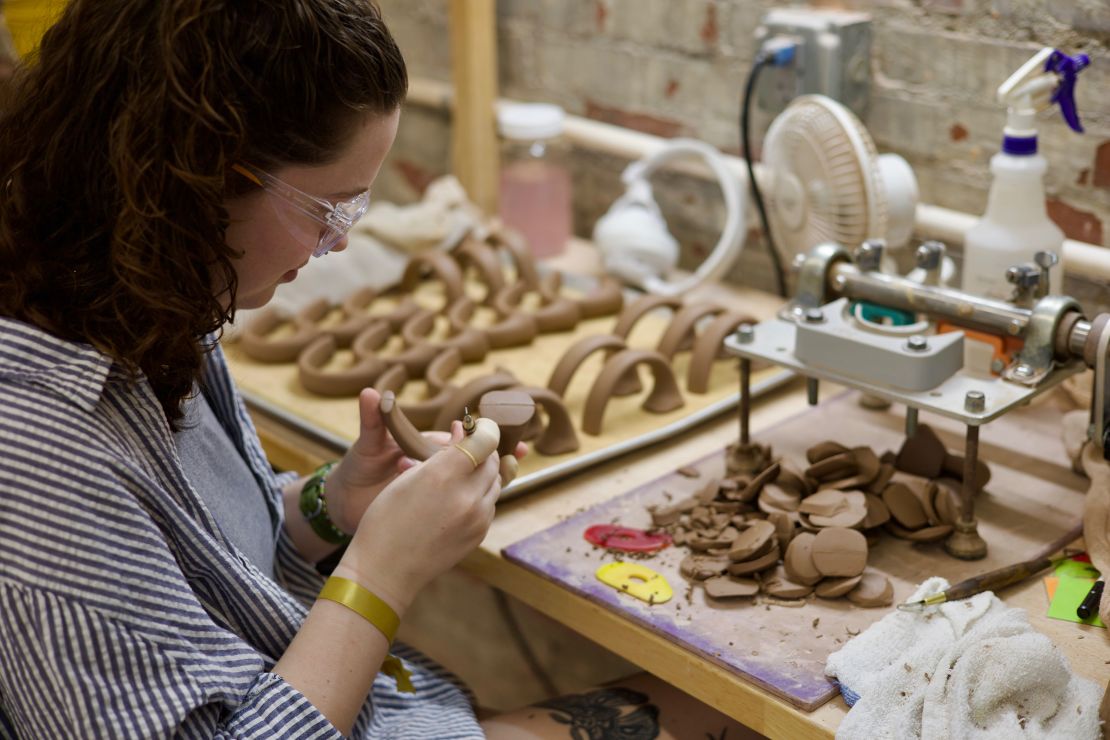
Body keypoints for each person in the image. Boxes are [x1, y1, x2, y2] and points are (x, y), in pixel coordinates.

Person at [0, 1, 755, 737]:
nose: (336, 247)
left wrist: (333, 506)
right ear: (195, 177)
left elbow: (209, 560)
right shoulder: (35, 456)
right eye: (326, 209)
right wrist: (381, 573)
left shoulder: (145, 293)